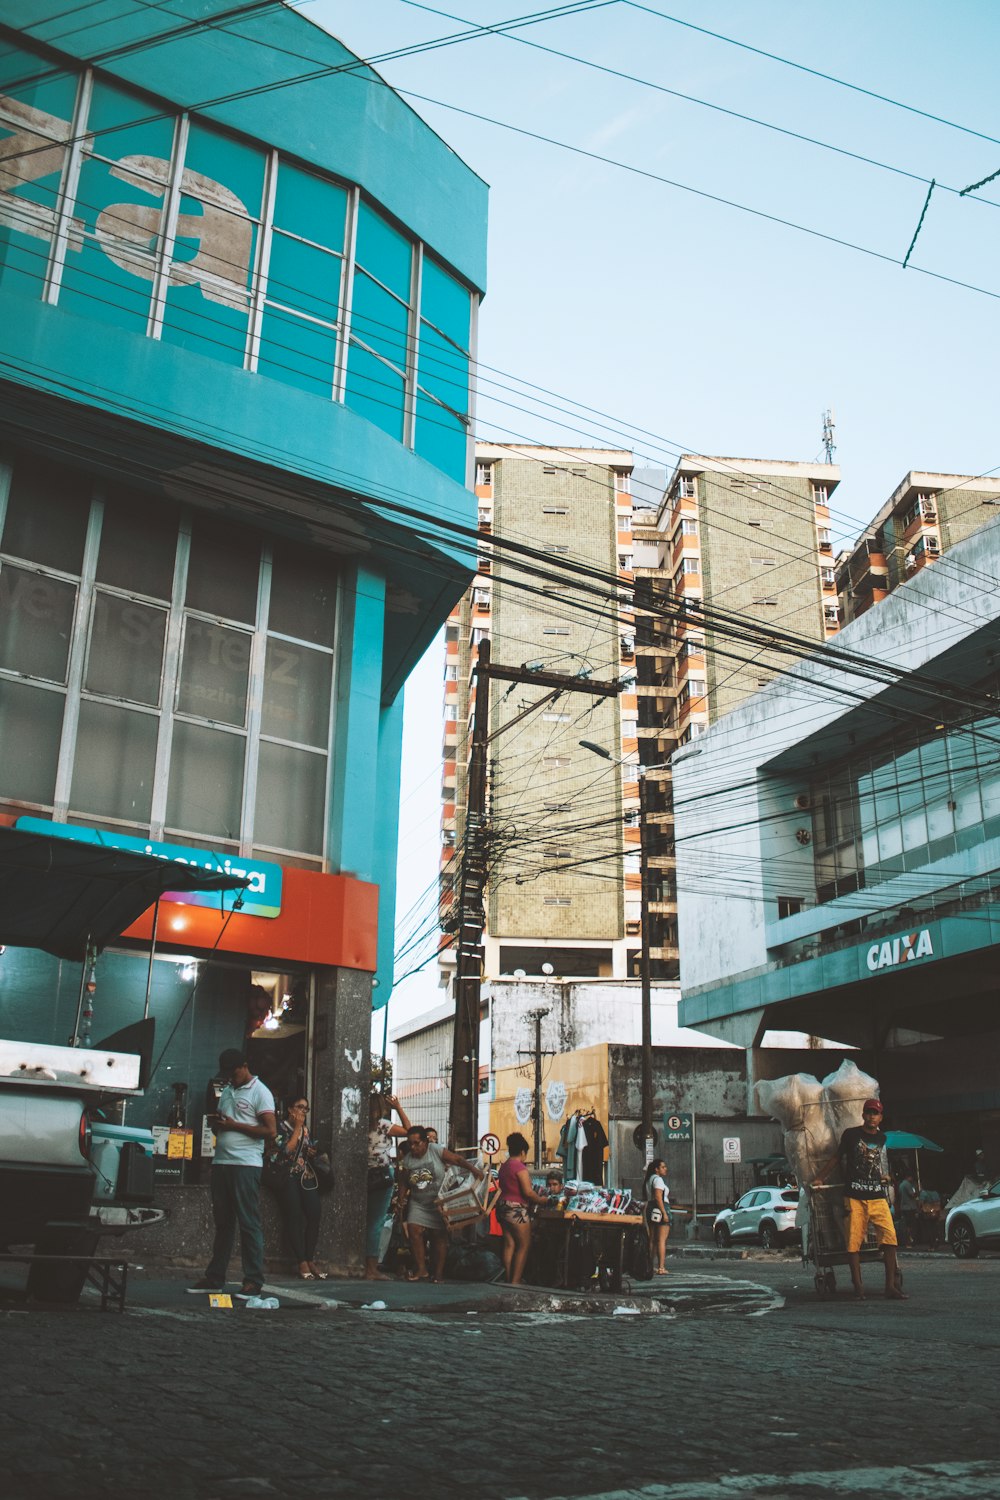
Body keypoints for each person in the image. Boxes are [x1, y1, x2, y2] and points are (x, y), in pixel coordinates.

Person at [188, 1048, 276, 1299]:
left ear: (245, 1066)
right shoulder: (227, 1090)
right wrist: (219, 1126)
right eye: (226, 1073)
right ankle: (215, 1277)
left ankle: (253, 1281)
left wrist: (234, 1125)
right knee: (224, 1223)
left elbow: (270, 1131)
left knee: (249, 1223)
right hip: (222, 1162)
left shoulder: (261, 1092)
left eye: (233, 1072)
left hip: (246, 1164)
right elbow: (224, 1124)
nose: (230, 1078)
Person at [814, 1097, 906, 1301]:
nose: (872, 1117)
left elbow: (881, 1162)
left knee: (890, 1239)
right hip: (854, 1197)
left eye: (876, 1113)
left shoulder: (882, 1138)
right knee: (853, 1243)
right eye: (869, 1113)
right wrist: (820, 1177)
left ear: (881, 1117)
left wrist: (887, 1175)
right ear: (863, 1115)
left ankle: (890, 1286)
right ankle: (858, 1287)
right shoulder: (851, 1135)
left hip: (877, 1196)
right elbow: (837, 1158)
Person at [397, 1125, 484, 1282]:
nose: (413, 1147)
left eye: (416, 1143)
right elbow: (403, 1181)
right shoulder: (408, 1160)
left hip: (438, 1202)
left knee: (439, 1236)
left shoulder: (435, 1150)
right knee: (413, 1229)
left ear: (425, 1142)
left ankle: (438, 1274)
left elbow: (457, 1159)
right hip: (418, 1202)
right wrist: (401, 1199)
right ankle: (421, 1269)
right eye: (410, 1143)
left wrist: (474, 1170)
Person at [270, 1097, 327, 1280]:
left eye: (306, 1109)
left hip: (304, 1175)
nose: (302, 1111)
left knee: (314, 1212)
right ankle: (301, 1260)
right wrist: (297, 1128)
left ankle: (310, 1258)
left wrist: (311, 1151)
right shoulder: (280, 1127)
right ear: (290, 1109)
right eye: (299, 1107)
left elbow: (308, 1148)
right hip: (286, 1176)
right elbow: (286, 1150)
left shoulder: (305, 1130)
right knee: (293, 1214)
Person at [366, 1092, 411, 1280]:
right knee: (376, 1223)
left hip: (364, 1174)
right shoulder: (383, 1125)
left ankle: (363, 1264)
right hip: (382, 1174)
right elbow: (410, 1131)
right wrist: (399, 1108)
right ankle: (371, 1268)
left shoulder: (360, 1124)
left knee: (366, 1221)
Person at [497, 1133, 547, 1285]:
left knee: (509, 1244)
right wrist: (541, 1200)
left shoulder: (504, 1166)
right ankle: (516, 1280)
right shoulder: (520, 1167)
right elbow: (527, 1192)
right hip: (516, 1209)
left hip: (502, 1206)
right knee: (524, 1245)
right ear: (523, 1152)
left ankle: (508, 1278)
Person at [643, 1158, 671, 1275]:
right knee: (661, 1240)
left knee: (652, 1239)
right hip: (660, 1208)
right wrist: (664, 1213)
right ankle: (661, 1267)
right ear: (657, 1169)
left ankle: (650, 1265)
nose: (666, 1169)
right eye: (663, 1167)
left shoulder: (649, 1180)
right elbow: (659, 1197)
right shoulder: (658, 1180)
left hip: (650, 1208)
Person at [896, 1167, 920, 1249]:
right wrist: (917, 1193)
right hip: (909, 1207)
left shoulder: (901, 1185)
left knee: (906, 1225)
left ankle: (908, 1241)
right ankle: (909, 1241)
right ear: (909, 1177)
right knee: (910, 1226)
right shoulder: (907, 1184)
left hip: (904, 1207)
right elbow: (912, 1194)